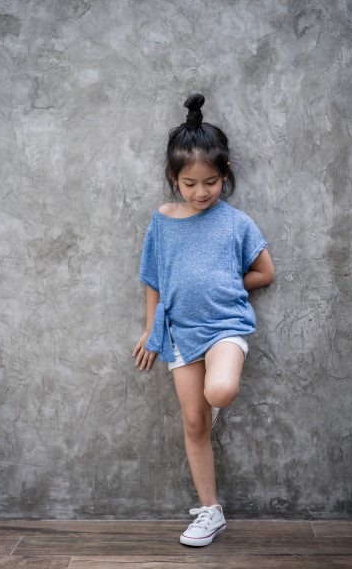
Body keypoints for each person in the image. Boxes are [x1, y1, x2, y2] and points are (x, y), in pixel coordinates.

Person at [133, 94, 274, 547]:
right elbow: (153, 280)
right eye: (190, 183)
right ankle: (211, 511)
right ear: (173, 179)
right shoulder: (162, 221)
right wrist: (151, 330)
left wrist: (229, 282)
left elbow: (265, 272)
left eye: (210, 182)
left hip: (225, 327)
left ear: (225, 174)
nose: (200, 192)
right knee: (194, 423)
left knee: (220, 391)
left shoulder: (236, 223)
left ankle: (212, 401)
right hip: (179, 333)